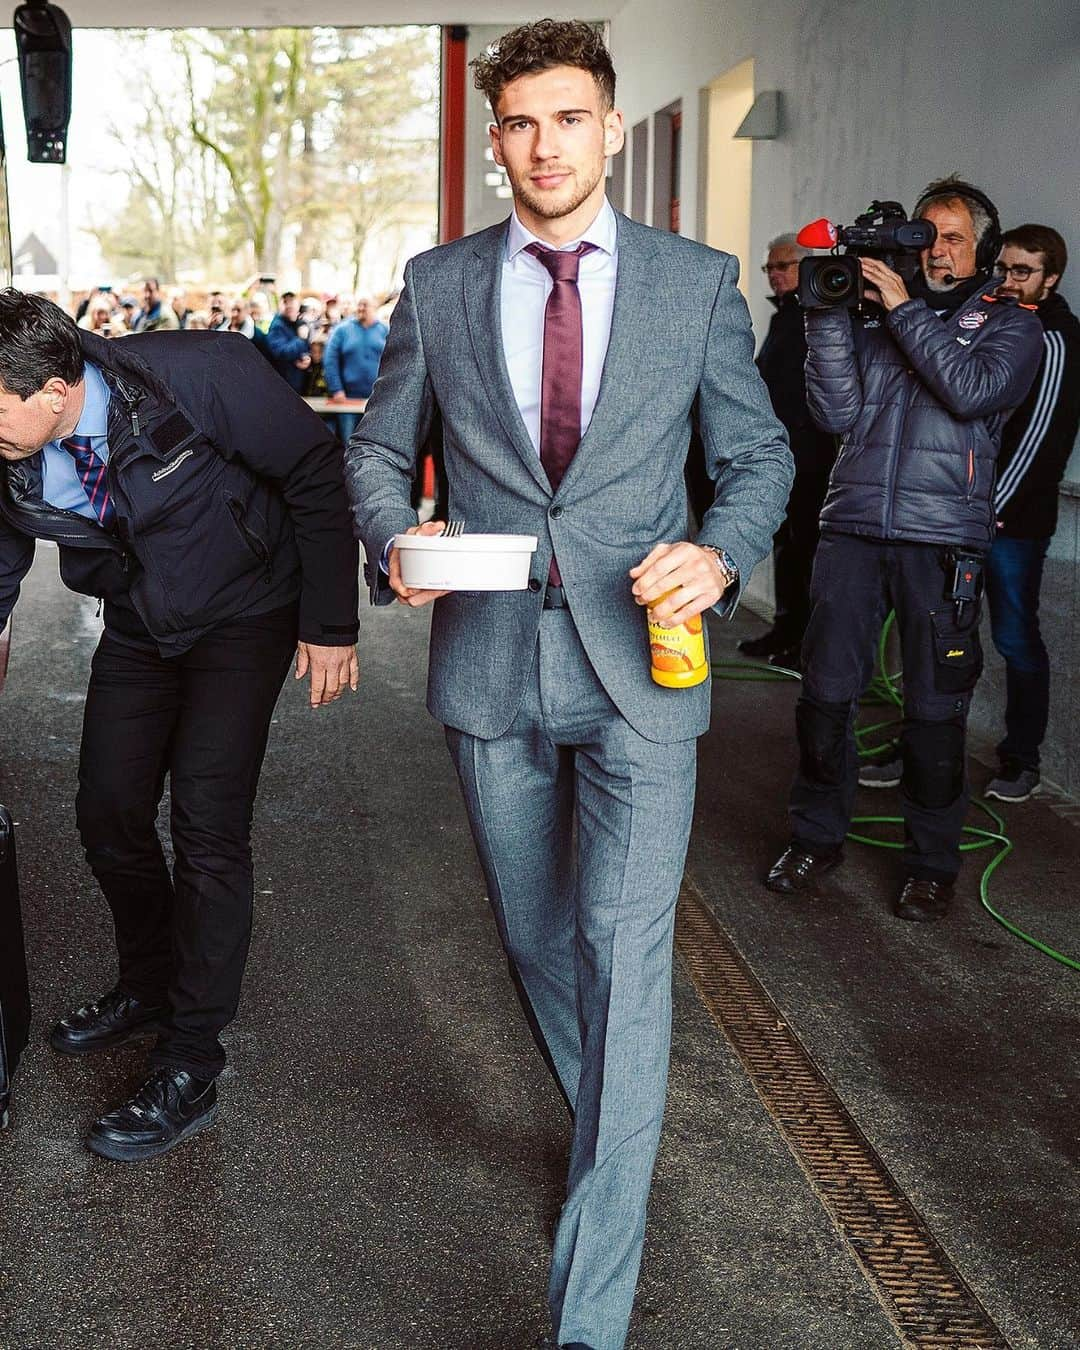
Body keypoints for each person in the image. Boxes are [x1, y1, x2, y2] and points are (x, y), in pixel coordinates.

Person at [345, 21, 792, 1350]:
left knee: (622, 952)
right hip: (490, 671)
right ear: (499, 144)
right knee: (541, 943)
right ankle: (620, 1122)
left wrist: (718, 553)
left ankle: (586, 1312)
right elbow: (375, 457)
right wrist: (393, 538)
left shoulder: (698, 282)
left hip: (643, 675)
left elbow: (757, 461)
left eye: (570, 119)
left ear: (609, 129)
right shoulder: (437, 285)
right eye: (521, 124)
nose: (546, 145)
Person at [0, 289, 359, 1162]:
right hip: (138, 623)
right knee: (108, 813)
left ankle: (192, 1055)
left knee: (207, 825)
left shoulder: (200, 376)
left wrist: (331, 623)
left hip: (246, 613)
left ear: (54, 388)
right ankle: (150, 983)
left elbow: (314, 472)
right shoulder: (14, 442)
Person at [765, 178, 1042, 921]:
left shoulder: (1011, 326)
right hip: (852, 525)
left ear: (982, 248)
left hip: (941, 540)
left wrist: (904, 310)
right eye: (928, 233)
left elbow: (970, 391)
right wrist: (828, 316)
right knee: (824, 696)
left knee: (932, 710)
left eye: (951, 236)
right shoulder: (877, 319)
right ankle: (814, 839)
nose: (936, 248)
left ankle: (931, 865)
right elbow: (836, 411)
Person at [982, 225, 1080, 801]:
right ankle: (923, 747)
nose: (1009, 281)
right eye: (1003, 269)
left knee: (1016, 637)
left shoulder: (1054, 340)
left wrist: (985, 511)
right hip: (969, 515)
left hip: (1010, 525)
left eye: (1023, 272)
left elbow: (1038, 440)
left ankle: (1022, 760)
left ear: (1051, 279)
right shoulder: (995, 320)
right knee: (943, 638)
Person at [739, 232, 837, 669]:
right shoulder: (784, 318)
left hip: (813, 457)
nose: (775, 276)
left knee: (808, 550)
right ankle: (785, 627)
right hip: (782, 456)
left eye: (784, 267)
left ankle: (807, 644)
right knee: (785, 547)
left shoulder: (819, 316)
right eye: (770, 268)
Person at [323, 295, 388, 442]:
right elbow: (330, 360)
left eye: (365, 305)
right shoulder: (342, 330)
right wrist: (336, 389)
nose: (361, 309)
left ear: (374, 308)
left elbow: (396, 361)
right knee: (349, 442)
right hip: (347, 399)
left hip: (377, 399)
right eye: (359, 305)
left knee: (375, 444)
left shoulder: (385, 330)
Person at [264, 292, 312, 392]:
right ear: (280, 306)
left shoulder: (298, 324)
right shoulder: (277, 326)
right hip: (284, 387)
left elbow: (305, 349)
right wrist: (301, 339)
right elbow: (281, 353)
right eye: (285, 302)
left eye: (292, 302)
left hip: (296, 385)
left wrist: (306, 357)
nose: (289, 305)